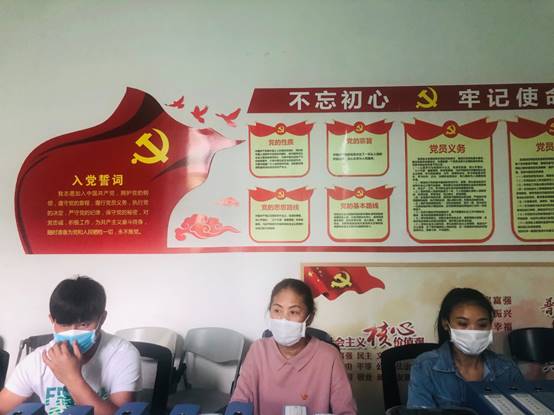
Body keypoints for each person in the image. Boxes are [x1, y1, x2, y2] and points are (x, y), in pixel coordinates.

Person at [0, 276, 141, 415]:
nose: (73, 333)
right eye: (64, 324)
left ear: (102, 319)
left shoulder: (122, 353)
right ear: (52, 321)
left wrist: (72, 378)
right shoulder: (38, 360)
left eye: (84, 324)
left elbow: (122, 413)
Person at [230, 278, 357, 415]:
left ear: (309, 318)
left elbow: (346, 411)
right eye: (277, 310)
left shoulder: (329, 356)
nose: (283, 320)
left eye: (293, 312)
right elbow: (239, 403)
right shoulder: (258, 350)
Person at [407, 287, 524, 408]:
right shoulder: (425, 367)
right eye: (463, 324)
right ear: (446, 324)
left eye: (482, 324)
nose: (473, 332)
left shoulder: (507, 368)